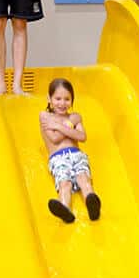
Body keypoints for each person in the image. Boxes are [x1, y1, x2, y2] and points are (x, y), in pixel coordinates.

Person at [40, 78, 101, 223]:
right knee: (64, 183)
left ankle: (92, 204)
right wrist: (70, 124)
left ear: (72, 100)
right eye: (58, 98)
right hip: (58, 158)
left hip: (77, 155)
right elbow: (54, 138)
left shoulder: (73, 116)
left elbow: (82, 136)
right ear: (49, 98)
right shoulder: (45, 116)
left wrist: (60, 126)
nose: (62, 103)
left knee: (84, 179)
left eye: (67, 99)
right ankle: (64, 208)